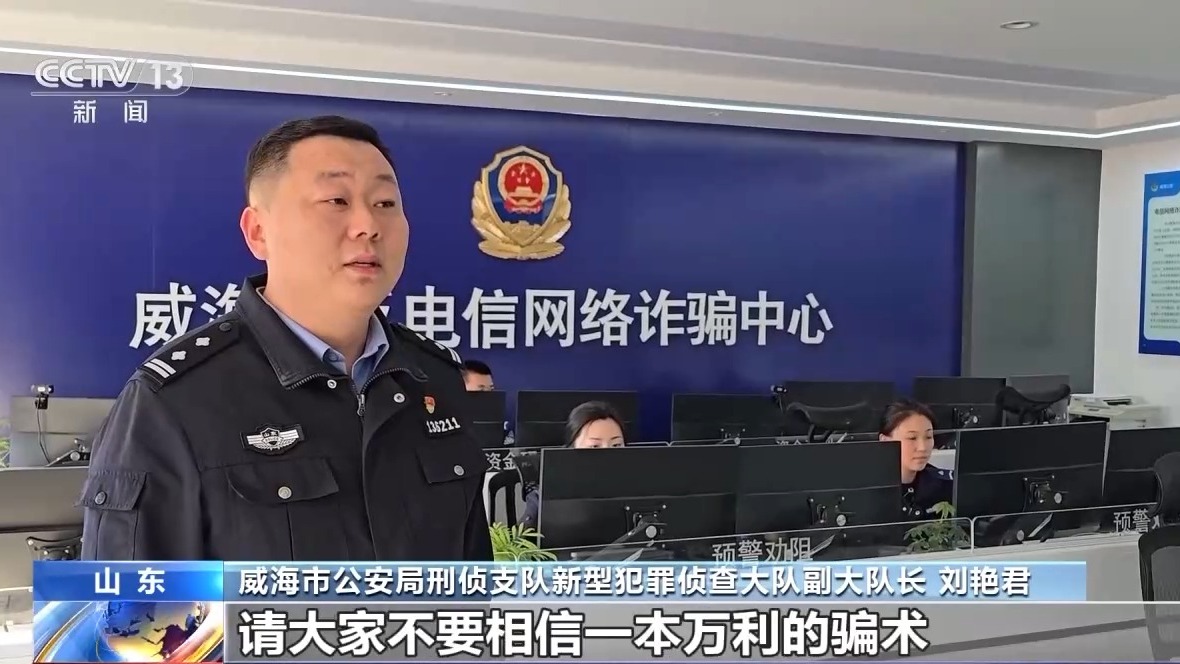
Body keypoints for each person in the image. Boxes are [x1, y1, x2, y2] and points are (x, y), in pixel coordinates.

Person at [79, 116, 491, 561]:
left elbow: (471, 582)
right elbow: (126, 604)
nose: (368, 225)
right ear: (258, 232)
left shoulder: (434, 378)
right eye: (336, 200)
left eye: (385, 203)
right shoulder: (172, 403)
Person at [519, 401, 626, 529]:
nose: (608, 454)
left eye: (616, 445)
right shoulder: (543, 498)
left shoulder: (640, 487)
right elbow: (517, 540)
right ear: (571, 450)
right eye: (594, 446)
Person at [879, 399, 953, 519]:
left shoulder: (945, 485)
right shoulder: (867, 490)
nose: (922, 448)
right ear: (885, 441)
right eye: (912, 438)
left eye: (928, 437)